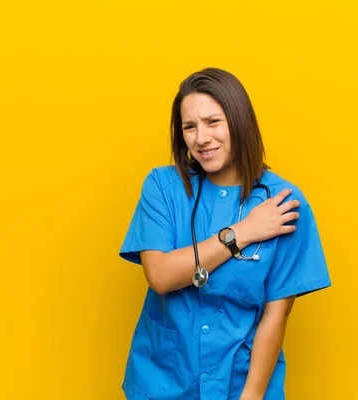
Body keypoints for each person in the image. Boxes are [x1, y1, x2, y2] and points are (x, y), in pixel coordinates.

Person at [119, 67, 331, 400]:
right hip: (163, 381)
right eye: (189, 126)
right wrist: (243, 232)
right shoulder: (162, 186)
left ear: (239, 121)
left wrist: (250, 398)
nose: (200, 138)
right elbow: (159, 275)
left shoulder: (283, 203)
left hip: (242, 383)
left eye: (213, 122)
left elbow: (277, 315)